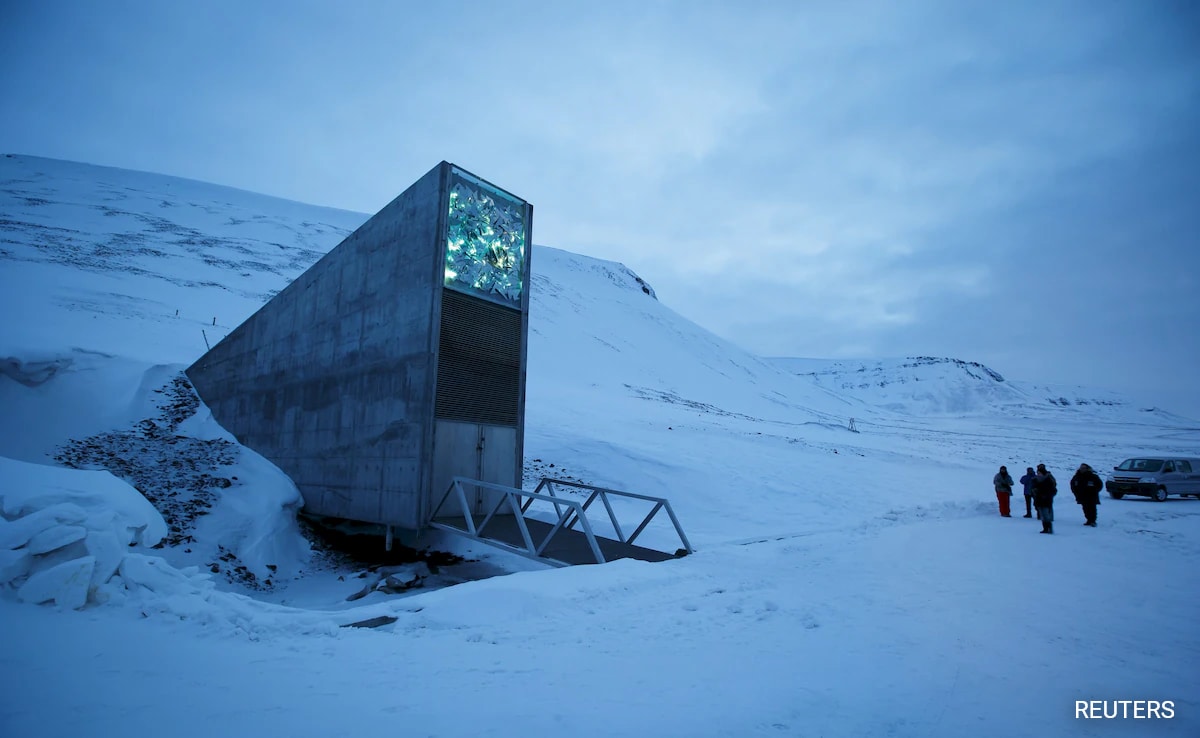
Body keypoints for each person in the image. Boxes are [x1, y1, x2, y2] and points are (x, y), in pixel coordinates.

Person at [1033, 463, 1057, 534]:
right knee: (1042, 515)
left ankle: (1049, 528)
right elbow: (1033, 488)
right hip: (1038, 499)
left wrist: (1047, 495)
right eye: (1038, 473)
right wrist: (1034, 491)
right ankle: (1045, 528)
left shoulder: (1048, 480)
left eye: (1039, 473)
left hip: (1046, 500)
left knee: (1046, 515)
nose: (1038, 474)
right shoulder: (1035, 480)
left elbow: (1052, 490)